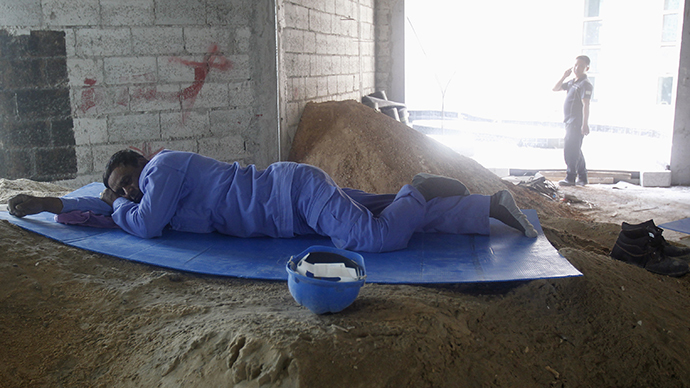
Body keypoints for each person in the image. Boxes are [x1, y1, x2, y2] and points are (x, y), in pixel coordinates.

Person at [7, 149, 538, 253]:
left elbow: (139, 224)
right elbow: (104, 212)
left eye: (129, 178)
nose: (128, 190)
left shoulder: (162, 168)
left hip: (293, 193)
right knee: (377, 212)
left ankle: (418, 186)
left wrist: (119, 202)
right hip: (288, 217)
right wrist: (48, 204)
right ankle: (489, 208)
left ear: (142, 162)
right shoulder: (138, 198)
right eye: (121, 187)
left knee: (376, 237)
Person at [552, 55, 594, 187]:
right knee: (576, 149)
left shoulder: (585, 84)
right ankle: (583, 177)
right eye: (576, 65)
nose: (577, 68)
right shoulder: (572, 82)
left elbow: (586, 105)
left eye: (581, 66)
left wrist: (584, 124)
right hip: (568, 121)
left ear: (587, 68)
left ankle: (570, 177)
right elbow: (555, 88)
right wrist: (564, 76)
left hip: (577, 122)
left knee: (570, 149)